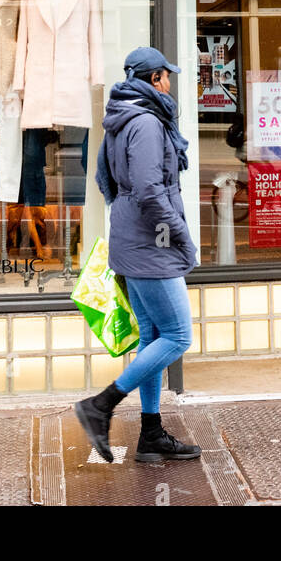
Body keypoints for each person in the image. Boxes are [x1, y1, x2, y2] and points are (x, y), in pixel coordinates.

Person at [74, 46, 200, 464]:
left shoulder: (119, 117)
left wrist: (123, 216)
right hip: (153, 244)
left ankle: (150, 435)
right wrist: (180, 235)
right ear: (153, 79)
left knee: (152, 338)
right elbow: (150, 191)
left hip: (131, 239)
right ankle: (101, 405)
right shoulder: (146, 122)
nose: (170, 83)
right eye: (167, 76)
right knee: (179, 335)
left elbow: (102, 178)